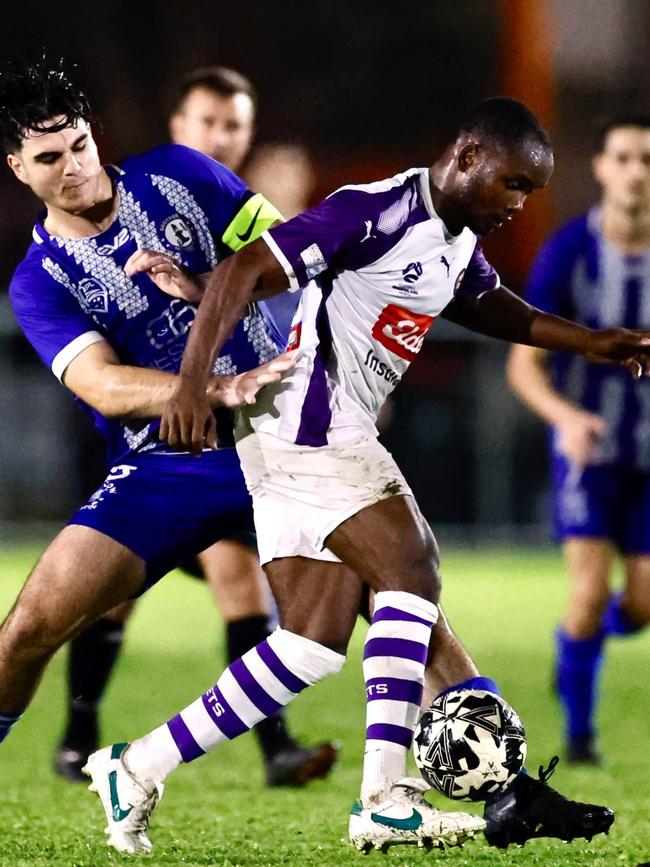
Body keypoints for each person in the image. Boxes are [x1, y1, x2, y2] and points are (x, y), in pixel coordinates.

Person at [83, 97, 629, 855]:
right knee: (413, 566)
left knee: (309, 643)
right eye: (512, 183)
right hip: (311, 420)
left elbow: (490, 306)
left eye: (530, 192)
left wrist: (592, 342)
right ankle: (386, 796)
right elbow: (251, 266)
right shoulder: (373, 209)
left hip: (294, 436)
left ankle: (137, 766)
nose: (518, 203)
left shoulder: (456, 238)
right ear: (467, 155)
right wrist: (187, 387)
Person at [55, 64, 336, 787]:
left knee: (241, 580)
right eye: (209, 121)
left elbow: (297, 292)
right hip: (150, 441)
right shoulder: (141, 205)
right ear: (179, 130)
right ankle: (77, 731)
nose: (223, 135)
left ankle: (276, 747)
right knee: (107, 590)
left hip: (239, 438)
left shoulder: (239, 212)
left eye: (235, 124)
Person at [507, 115, 650, 764]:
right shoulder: (569, 252)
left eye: (647, 160)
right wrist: (566, 418)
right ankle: (581, 734)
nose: (637, 173)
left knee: (642, 604)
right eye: (624, 158)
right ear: (600, 167)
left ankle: (574, 650)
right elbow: (522, 363)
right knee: (590, 590)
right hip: (589, 454)